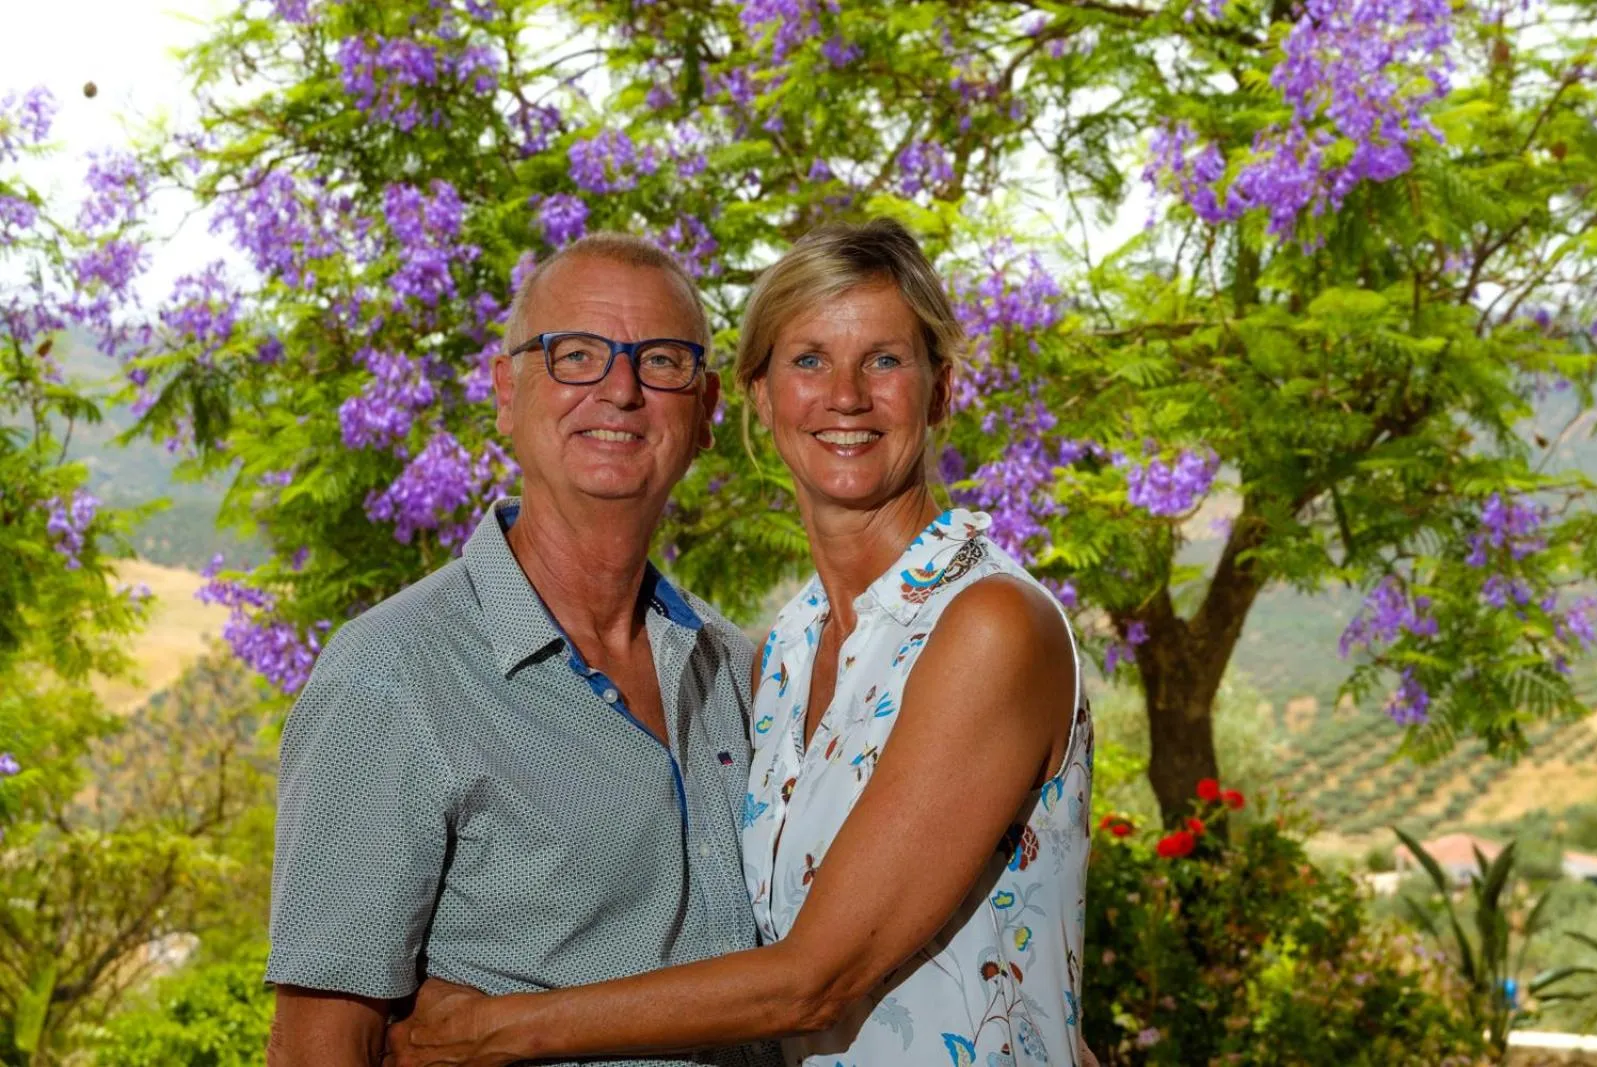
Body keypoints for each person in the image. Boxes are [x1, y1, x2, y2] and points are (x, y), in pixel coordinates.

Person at [386, 217, 1095, 1066]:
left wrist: (495, 1027)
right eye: (808, 360)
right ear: (758, 397)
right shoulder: (778, 658)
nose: (845, 395)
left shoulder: (990, 623)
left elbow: (813, 979)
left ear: (941, 390)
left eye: (885, 359)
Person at [265, 233, 781, 1067]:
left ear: (706, 411)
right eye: (576, 355)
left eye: (660, 361)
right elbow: (318, 1045)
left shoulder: (739, 671)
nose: (620, 390)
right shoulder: (392, 675)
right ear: (507, 392)